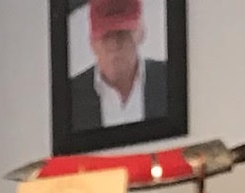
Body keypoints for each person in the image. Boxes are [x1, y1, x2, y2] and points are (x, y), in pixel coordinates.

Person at [69, 0, 170, 134]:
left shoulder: (172, 80)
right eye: (106, 36)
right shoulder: (69, 99)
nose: (115, 45)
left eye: (123, 33)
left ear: (141, 32)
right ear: (92, 42)